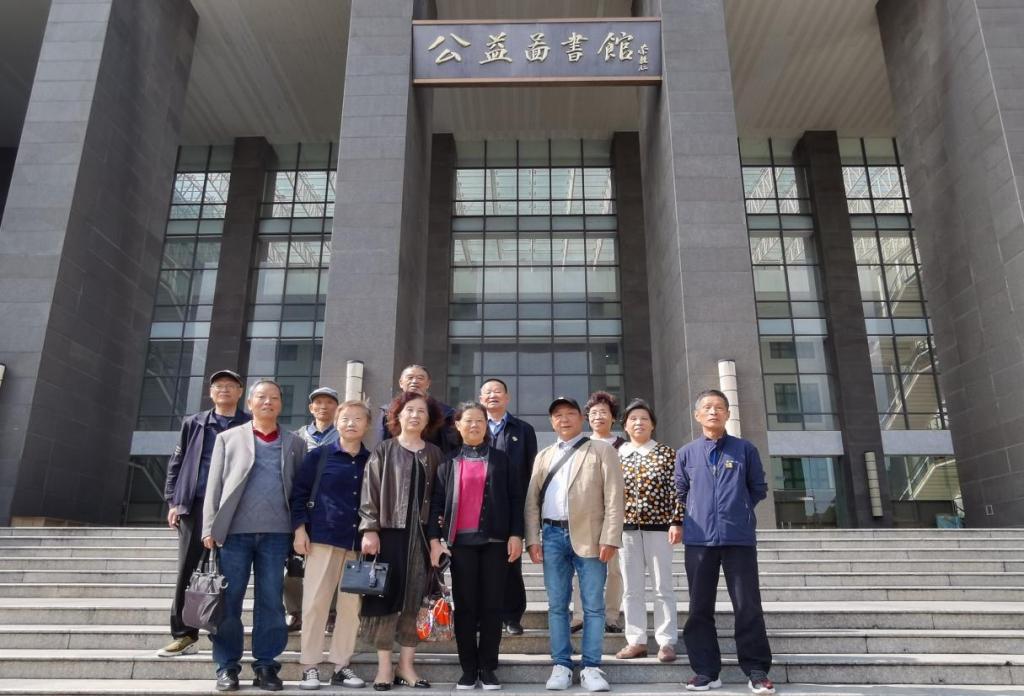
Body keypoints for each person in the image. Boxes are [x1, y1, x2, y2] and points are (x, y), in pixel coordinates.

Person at [201, 379, 307, 692]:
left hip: (277, 535)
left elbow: (300, 492)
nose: (267, 402)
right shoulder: (228, 438)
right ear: (250, 403)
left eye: (274, 397)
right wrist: (209, 527)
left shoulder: (295, 443)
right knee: (229, 601)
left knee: (272, 602)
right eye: (261, 397)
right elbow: (214, 485)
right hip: (234, 533)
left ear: (281, 404)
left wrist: (300, 529)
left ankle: (266, 665)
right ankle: (226, 666)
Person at [675, 389, 774, 695]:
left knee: (747, 605)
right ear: (697, 415)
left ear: (728, 414)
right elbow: (680, 491)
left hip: (738, 539)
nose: (713, 412)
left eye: (719, 407)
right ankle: (706, 671)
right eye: (707, 407)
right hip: (699, 540)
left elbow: (758, 488)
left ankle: (756, 670)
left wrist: (737, 511)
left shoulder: (745, 449)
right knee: (699, 607)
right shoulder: (686, 453)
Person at [524, 397, 624, 693]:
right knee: (557, 605)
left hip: (591, 536)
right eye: (558, 415)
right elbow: (532, 502)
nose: (564, 419)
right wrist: (533, 538)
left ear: (581, 418)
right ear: (551, 421)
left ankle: (591, 666)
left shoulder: (602, 450)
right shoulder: (544, 456)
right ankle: (561, 665)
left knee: (593, 606)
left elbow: (614, 497)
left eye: (570, 414)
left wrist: (610, 537)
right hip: (552, 536)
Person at [428, 401, 524, 691]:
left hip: (495, 542)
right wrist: (435, 539)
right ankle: (469, 669)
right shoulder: (448, 462)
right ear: (457, 426)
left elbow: (516, 499)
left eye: (479, 421)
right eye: (468, 420)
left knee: (492, 606)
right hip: (461, 545)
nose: (474, 425)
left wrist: (516, 534)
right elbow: (435, 505)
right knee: (466, 607)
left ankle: (488, 667)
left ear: (486, 425)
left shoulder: (502, 459)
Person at [158, 369, 251, 658]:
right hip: (196, 504)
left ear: (240, 392)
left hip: (234, 506)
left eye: (230, 386)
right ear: (211, 393)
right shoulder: (194, 423)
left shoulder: (248, 424)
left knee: (228, 571)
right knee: (187, 570)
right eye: (218, 386)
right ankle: (184, 634)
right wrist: (174, 501)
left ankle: (221, 632)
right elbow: (177, 463)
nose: (224, 389)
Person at [359, 392, 445, 691]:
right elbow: (369, 491)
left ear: (429, 419)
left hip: (421, 537)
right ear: (398, 415)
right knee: (383, 598)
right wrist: (369, 529)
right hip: (388, 534)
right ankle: (384, 668)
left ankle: (406, 665)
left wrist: (436, 539)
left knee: (415, 599)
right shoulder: (384, 449)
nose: (415, 415)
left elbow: (439, 500)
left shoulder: (435, 454)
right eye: (410, 410)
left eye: (421, 411)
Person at [291, 399, 372, 691]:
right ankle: (309, 666)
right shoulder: (320, 456)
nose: (351, 423)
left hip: (357, 543)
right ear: (337, 423)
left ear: (367, 425)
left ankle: (341, 666)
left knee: (351, 608)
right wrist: (299, 530)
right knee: (315, 604)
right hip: (322, 539)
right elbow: (299, 494)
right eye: (345, 418)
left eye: (358, 419)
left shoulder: (372, 460)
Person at [614, 398, 681, 663]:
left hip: (660, 529)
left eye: (644, 418)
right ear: (625, 426)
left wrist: (677, 521)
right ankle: (636, 640)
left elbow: (678, 490)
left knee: (663, 586)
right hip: (626, 530)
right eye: (633, 419)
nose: (638, 423)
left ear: (653, 424)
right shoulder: (617, 454)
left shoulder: (667, 453)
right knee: (631, 588)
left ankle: (666, 642)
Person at [479, 378, 537, 636]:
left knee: (511, 564)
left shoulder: (523, 430)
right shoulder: (472, 425)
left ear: (507, 397)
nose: (493, 395)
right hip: (477, 506)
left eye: (498, 391)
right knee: (479, 566)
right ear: (481, 399)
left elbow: (531, 471)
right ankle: (482, 616)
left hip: (511, 505)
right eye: (488, 392)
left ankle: (511, 617)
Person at [286, 386, 342, 633]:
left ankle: (331, 612)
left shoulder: (343, 436)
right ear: (311, 408)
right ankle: (295, 611)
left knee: (333, 563)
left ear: (336, 408)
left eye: (329, 402)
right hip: (300, 505)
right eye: (318, 403)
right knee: (295, 563)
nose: (323, 407)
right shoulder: (297, 437)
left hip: (331, 509)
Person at [570, 391, 626, 634]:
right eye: (593, 413)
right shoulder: (580, 445)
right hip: (585, 517)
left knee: (615, 570)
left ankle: (611, 616)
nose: (598, 417)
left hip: (615, 516)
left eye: (603, 412)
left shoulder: (624, 446)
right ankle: (579, 615)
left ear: (613, 417)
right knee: (581, 568)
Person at [377, 365, 460, 456]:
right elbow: (381, 446)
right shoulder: (388, 412)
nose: (414, 381)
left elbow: (449, 449)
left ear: (428, 384)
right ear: (401, 383)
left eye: (420, 378)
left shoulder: (444, 413)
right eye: (410, 377)